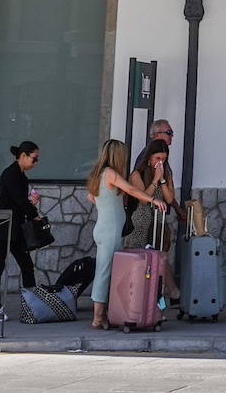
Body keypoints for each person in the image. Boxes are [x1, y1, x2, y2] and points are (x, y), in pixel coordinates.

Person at [86, 138, 167, 331]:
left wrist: (107, 206)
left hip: (102, 228)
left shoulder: (98, 174)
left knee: (105, 270)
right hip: (111, 231)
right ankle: (97, 318)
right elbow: (131, 189)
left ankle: (103, 314)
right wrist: (153, 200)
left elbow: (91, 197)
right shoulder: (111, 173)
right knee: (104, 273)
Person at [0, 141, 42, 317]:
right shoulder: (11, 174)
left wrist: (30, 206)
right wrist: (34, 214)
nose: (36, 163)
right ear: (23, 155)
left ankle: (32, 304)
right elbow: (19, 200)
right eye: (34, 158)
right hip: (2, 228)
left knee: (26, 265)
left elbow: (18, 201)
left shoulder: (20, 176)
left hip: (15, 229)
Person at [125, 138, 181, 303]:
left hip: (158, 223)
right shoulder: (137, 174)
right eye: (157, 158)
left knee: (159, 260)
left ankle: (159, 299)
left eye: (163, 159)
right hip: (140, 223)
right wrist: (154, 180)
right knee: (138, 260)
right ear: (149, 157)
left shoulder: (167, 174)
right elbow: (144, 199)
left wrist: (162, 179)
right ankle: (137, 298)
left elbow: (170, 199)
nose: (160, 162)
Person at [135, 120, 188, 221]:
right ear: (156, 135)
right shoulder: (145, 158)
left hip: (157, 213)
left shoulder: (162, 158)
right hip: (146, 215)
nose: (171, 135)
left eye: (172, 133)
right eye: (169, 133)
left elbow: (168, 191)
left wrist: (178, 209)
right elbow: (139, 190)